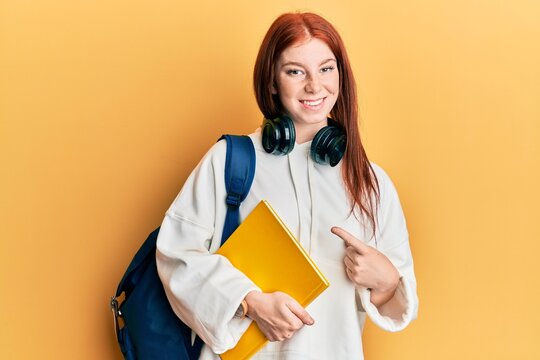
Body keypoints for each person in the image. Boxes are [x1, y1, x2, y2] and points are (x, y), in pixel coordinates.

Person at [156, 12, 418, 359]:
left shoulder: (371, 183)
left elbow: (395, 300)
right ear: (272, 82)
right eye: (295, 71)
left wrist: (386, 283)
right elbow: (176, 255)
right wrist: (249, 302)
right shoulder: (230, 161)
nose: (314, 86)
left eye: (326, 69)